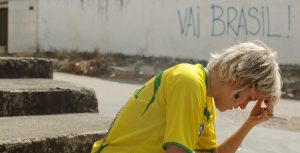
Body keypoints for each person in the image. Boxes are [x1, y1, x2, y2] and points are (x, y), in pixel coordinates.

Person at [91, 40, 281, 153]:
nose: (242, 107)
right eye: (249, 98)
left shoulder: (205, 101)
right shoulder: (188, 81)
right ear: (240, 78)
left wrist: (250, 123)